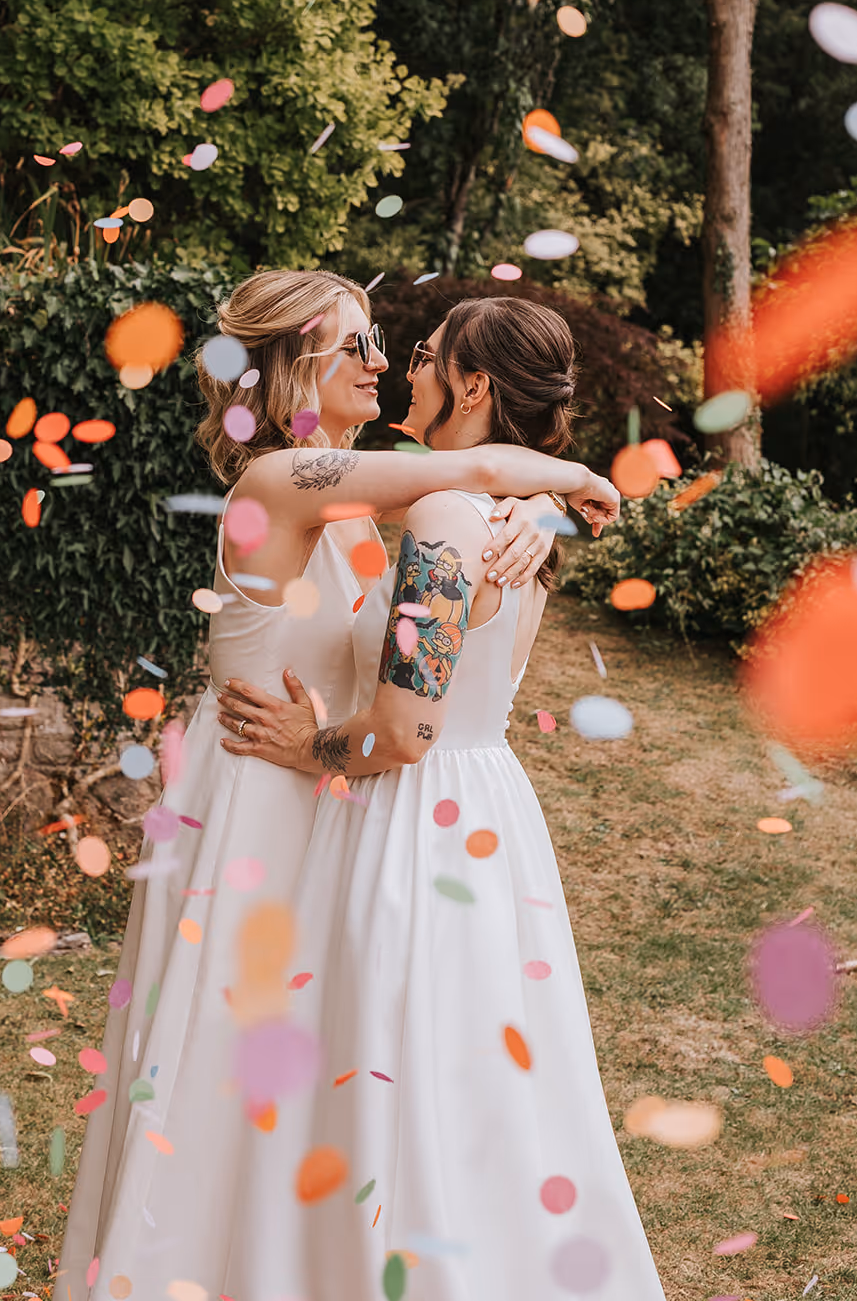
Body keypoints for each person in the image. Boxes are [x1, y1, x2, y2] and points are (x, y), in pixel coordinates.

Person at [51, 272, 622, 1301]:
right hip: (247, 790)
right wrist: (567, 481)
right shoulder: (281, 481)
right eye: (353, 344)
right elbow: (471, 468)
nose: (377, 359)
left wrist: (536, 509)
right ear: (291, 368)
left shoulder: (370, 494)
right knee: (210, 1063)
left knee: (300, 1072)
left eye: (387, 344)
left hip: (323, 794)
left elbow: (456, 503)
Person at [216, 296, 667, 1300]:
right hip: (488, 814)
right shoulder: (516, 529)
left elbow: (405, 727)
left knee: (395, 1070)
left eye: (422, 356)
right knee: (484, 1078)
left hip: (414, 823)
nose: (404, 370)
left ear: (469, 384)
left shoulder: (441, 517)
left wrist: (309, 744)